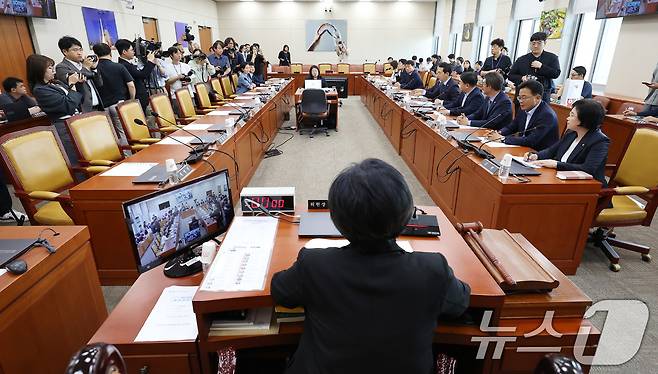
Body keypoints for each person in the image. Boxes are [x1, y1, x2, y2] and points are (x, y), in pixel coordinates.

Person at [271, 158, 470, 374]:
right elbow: (460, 303)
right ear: (406, 216)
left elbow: (280, 291)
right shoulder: (432, 269)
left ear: (337, 220)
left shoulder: (313, 264)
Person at [527, 99, 610, 185]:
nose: (567, 118)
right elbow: (551, 151)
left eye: (572, 115)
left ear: (584, 119)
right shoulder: (571, 133)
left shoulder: (600, 141)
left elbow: (588, 168)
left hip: (586, 186)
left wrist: (557, 164)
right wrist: (536, 155)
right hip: (560, 179)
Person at [28, 53, 84, 166]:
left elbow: (78, 98)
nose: (54, 71)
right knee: (76, 160)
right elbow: (68, 105)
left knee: (86, 155)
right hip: (64, 126)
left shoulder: (56, 83)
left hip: (76, 121)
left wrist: (78, 84)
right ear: (39, 71)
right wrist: (71, 85)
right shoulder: (40, 90)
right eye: (50, 68)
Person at [492, 80, 559, 151]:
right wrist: (498, 133)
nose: (520, 101)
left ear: (537, 98)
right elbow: (512, 127)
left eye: (524, 97)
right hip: (522, 149)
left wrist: (502, 139)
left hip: (538, 154)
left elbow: (531, 141)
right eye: (519, 98)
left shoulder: (547, 115)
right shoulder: (523, 108)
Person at [92, 43, 135, 145]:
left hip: (103, 105)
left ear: (96, 54)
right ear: (110, 52)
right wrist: (131, 100)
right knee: (122, 131)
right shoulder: (118, 67)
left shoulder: (94, 69)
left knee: (111, 133)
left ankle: (117, 155)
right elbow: (131, 85)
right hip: (119, 103)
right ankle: (127, 155)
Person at [509, 32, 561, 102]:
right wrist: (521, 78)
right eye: (533, 43)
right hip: (523, 95)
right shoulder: (521, 59)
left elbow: (556, 73)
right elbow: (511, 75)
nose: (536, 46)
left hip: (542, 95)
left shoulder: (552, 58)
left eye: (539, 43)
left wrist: (541, 67)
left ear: (545, 43)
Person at [55, 36, 103, 112]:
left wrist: (94, 68)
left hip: (98, 106)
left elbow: (100, 83)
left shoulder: (84, 63)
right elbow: (78, 78)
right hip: (83, 109)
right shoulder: (61, 67)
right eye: (75, 50)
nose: (79, 53)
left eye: (81, 49)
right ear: (65, 52)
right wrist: (86, 67)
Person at [115, 39, 156, 112]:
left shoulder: (128, 63)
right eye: (131, 50)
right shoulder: (124, 65)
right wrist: (150, 62)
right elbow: (142, 75)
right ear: (124, 52)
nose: (134, 52)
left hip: (140, 98)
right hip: (136, 98)